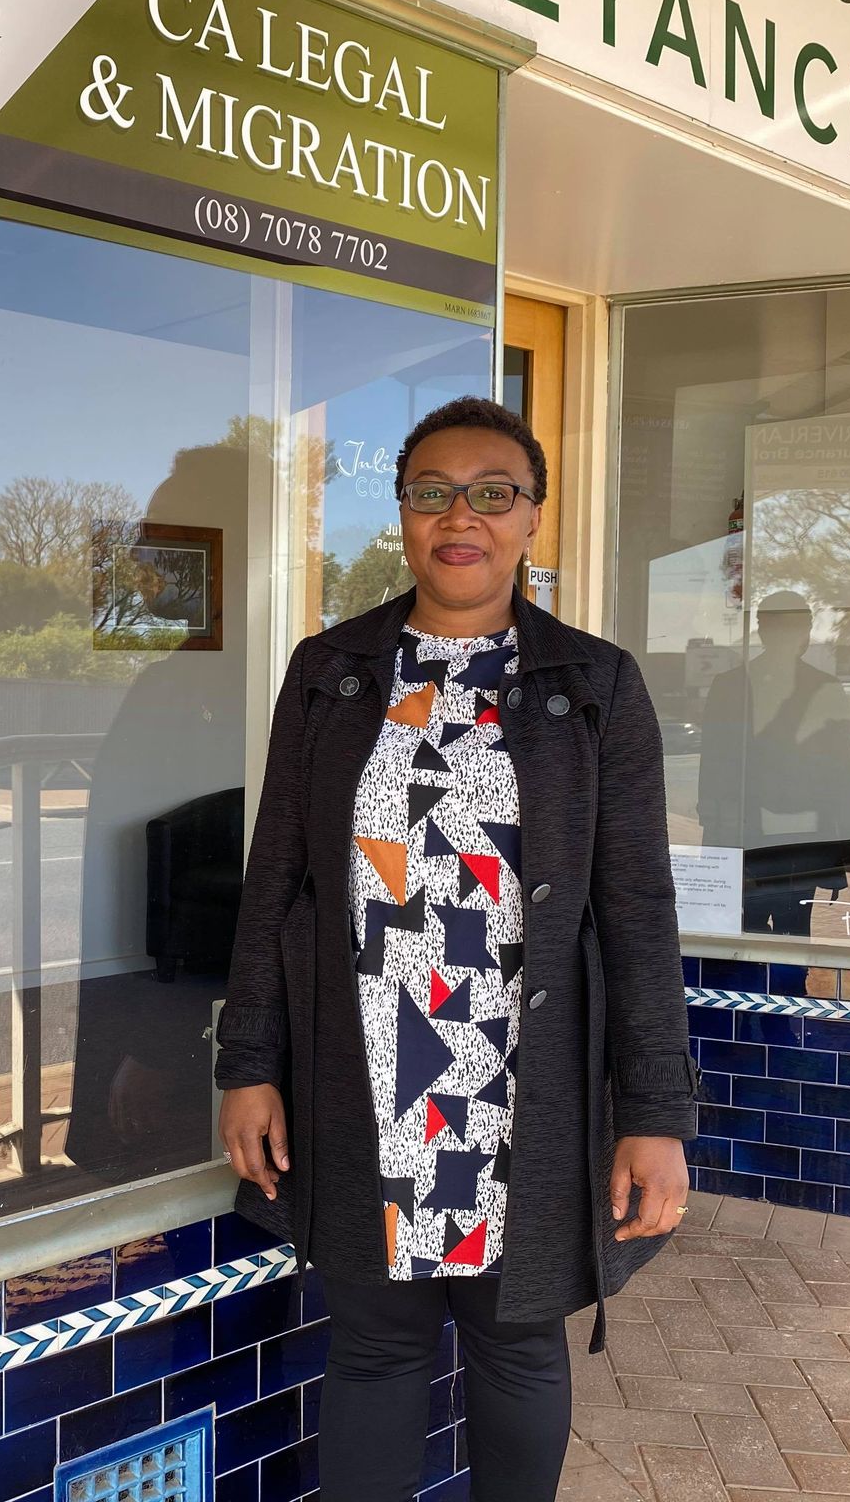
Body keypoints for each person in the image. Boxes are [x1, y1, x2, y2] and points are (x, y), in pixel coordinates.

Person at [214, 397, 698, 1502]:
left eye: (492, 493)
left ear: (531, 517)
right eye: (431, 492)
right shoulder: (330, 671)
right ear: (402, 514)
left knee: (517, 1346)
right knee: (374, 1348)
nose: (459, 516)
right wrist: (249, 1064)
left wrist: (655, 1115)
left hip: (517, 1083)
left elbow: (637, 911)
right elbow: (276, 884)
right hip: (365, 1072)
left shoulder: (594, 686)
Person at [695, 590, 850, 935]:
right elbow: (841, 770)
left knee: (759, 933)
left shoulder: (732, 686)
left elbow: (713, 768)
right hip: (760, 835)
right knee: (778, 934)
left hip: (779, 836)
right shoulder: (735, 686)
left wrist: (848, 837)